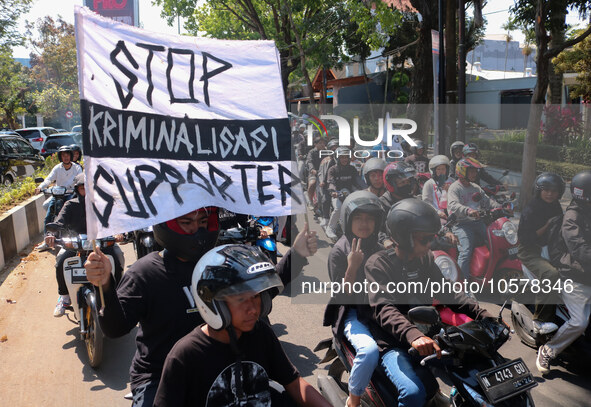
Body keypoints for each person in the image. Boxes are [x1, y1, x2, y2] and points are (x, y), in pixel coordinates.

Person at [85, 209, 318, 407]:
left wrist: (296, 254)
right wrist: (104, 285)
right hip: (159, 374)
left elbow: (260, 291)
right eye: (186, 222)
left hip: (222, 364)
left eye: (203, 222)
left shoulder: (221, 261)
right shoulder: (144, 273)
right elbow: (115, 328)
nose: (195, 230)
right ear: (166, 223)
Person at [153, 244, 331, 407]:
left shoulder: (261, 334)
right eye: (241, 299)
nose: (253, 309)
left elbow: (293, 383)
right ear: (213, 303)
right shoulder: (186, 355)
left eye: (255, 297)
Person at [362, 199, 494, 406]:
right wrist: (413, 335)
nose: (430, 244)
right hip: (393, 342)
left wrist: (483, 315)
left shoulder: (425, 260)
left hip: (428, 336)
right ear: (404, 238)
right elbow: (383, 308)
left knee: (477, 372)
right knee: (413, 394)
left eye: (432, 238)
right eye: (425, 239)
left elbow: (448, 292)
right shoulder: (379, 264)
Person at [324, 191, 384, 407]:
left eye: (370, 218)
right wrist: (353, 267)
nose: (365, 223)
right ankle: (354, 399)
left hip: (378, 309)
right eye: (359, 218)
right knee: (369, 352)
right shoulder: (339, 251)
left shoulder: (378, 247)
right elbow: (341, 296)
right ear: (348, 220)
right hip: (351, 313)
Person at [44, 173, 124, 317]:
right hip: (75, 245)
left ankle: (117, 293)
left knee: (117, 259)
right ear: (77, 189)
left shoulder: (104, 204)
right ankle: (64, 298)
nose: (86, 192)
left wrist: (119, 233)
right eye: (82, 189)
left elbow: (116, 221)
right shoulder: (70, 204)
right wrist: (51, 235)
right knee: (61, 262)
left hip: (102, 244)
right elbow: (59, 222)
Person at [537, 170, 591, 375]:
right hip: (574, 276)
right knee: (579, 322)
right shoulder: (572, 217)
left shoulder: (588, 210)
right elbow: (580, 250)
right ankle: (549, 349)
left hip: (587, 274)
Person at [517, 173, 565, 335]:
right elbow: (524, 238)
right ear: (539, 190)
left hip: (551, 248)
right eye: (546, 190)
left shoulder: (556, 206)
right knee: (551, 274)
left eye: (554, 190)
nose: (550, 193)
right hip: (530, 250)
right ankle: (541, 319)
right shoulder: (531, 208)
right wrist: (546, 226)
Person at [447, 158, 503, 280]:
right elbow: (453, 205)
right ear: (462, 172)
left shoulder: (476, 187)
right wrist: (468, 211)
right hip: (461, 224)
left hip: (478, 223)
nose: (474, 174)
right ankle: (462, 284)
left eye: (475, 171)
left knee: (497, 243)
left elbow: (488, 202)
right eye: (471, 171)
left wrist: (502, 207)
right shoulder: (455, 188)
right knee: (465, 252)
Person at [35, 145, 83, 250]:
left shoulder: (77, 168)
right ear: (60, 157)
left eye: (67, 155)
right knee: (48, 216)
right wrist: (40, 187)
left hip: (71, 194)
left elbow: (80, 179)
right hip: (57, 195)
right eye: (63, 155)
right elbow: (49, 179)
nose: (65, 157)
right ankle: (46, 241)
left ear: (71, 156)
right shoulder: (57, 168)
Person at [325, 147, 364, 240]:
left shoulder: (352, 169)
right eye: (342, 157)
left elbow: (358, 180)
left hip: (350, 194)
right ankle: (330, 228)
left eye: (346, 157)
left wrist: (366, 188)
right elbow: (331, 182)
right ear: (337, 158)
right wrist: (333, 191)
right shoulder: (332, 169)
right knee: (338, 208)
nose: (344, 159)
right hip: (337, 194)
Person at [422, 155, 451, 220]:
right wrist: (437, 212)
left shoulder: (452, 181)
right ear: (434, 170)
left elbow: (458, 197)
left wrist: (449, 190)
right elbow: (426, 201)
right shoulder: (429, 183)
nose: (441, 171)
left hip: (452, 214)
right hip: (436, 216)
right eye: (438, 169)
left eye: (443, 169)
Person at [317, 138, 339, 226]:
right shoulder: (325, 160)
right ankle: (325, 217)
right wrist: (322, 181)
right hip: (327, 184)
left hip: (341, 184)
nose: (334, 150)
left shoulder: (343, 159)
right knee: (326, 200)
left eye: (336, 148)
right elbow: (321, 172)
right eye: (332, 149)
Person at [305, 136, 326, 209]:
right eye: (320, 143)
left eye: (323, 143)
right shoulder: (312, 152)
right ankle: (310, 201)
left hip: (325, 173)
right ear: (315, 144)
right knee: (312, 184)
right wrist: (312, 169)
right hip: (314, 172)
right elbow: (309, 161)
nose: (322, 145)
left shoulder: (327, 151)